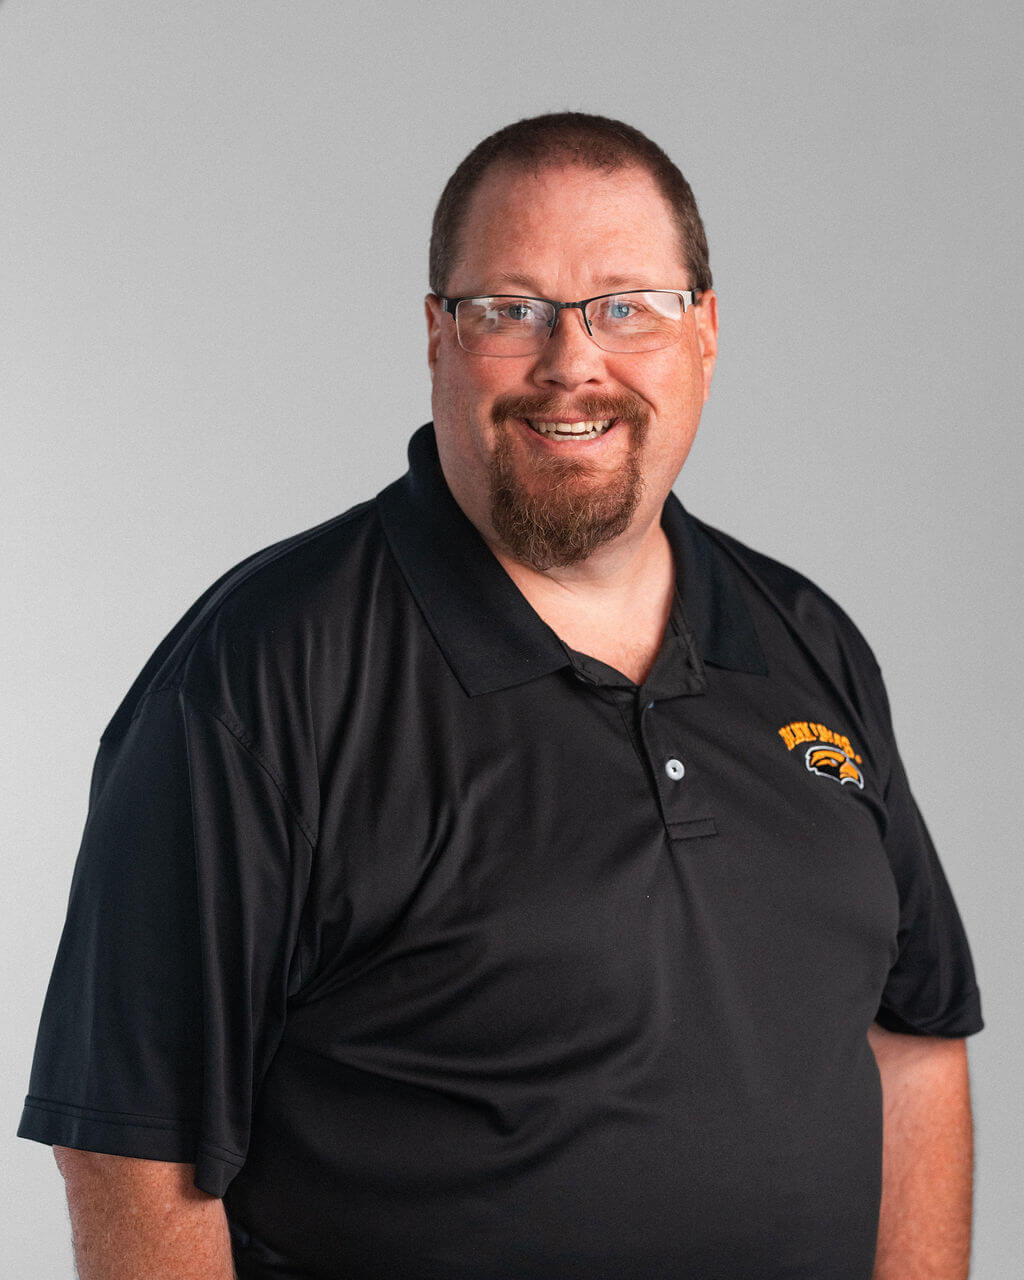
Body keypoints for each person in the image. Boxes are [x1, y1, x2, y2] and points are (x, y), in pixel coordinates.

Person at [19, 113, 982, 1280]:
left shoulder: (805, 641)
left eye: (627, 304)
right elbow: (133, 1148)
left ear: (706, 329)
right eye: (511, 309)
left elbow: (913, 1036)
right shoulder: (262, 672)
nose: (572, 361)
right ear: (436, 334)